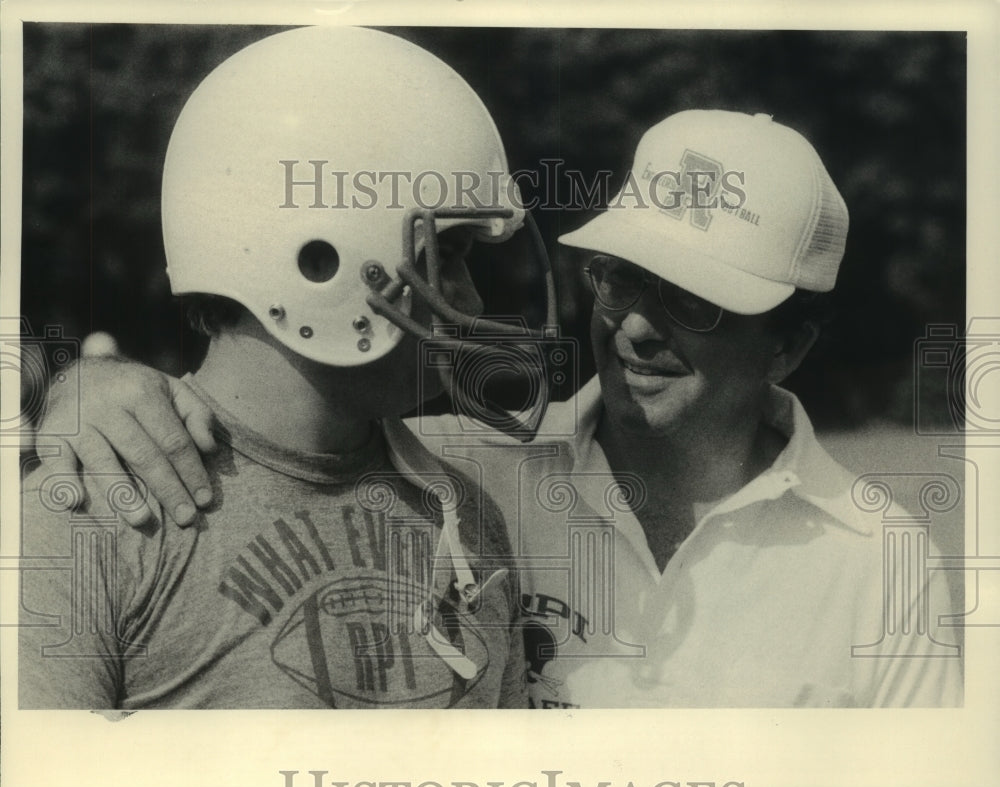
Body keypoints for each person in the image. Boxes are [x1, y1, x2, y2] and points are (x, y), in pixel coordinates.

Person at [34, 108, 963, 707]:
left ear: (790, 345)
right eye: (616, 281)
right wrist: (85, 389)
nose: (634, 330)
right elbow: (280, 409)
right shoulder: (466, 479)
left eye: (695, 301)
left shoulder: (881, 564)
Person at [19, 26, 529, 709]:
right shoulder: (86, 510)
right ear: (320, 258)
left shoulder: (470, 520)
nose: (473, 299)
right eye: (453, 250)